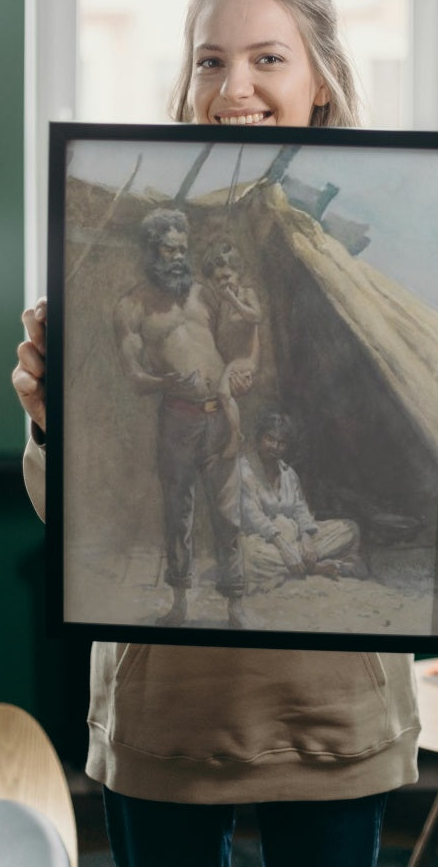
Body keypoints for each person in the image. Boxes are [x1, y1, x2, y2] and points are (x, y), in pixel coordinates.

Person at [13, 0, 438, 867]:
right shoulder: (126, 298)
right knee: (185, 511)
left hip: (330, 709)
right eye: (209, 59)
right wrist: (53, 420)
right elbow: (66, 511)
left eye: (267, 58)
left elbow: (426, 475)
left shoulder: (343, 259)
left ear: (321, 78)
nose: (232, 84)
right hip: (168, 710)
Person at [113, 208, 251, 629]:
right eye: (169, 249)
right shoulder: (131, 307)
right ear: (151, 250)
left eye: (183, 249)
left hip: (218, 419)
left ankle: (236, 606)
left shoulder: (206, 294)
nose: (177, 256)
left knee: (229, 516)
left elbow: (236, 348)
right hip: (176, 422)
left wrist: (238, 374)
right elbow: (134, 378)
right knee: (178, 515)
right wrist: (164, 379)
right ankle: (179, 605)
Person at [240, 410, 367, 589]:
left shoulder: (288, 474)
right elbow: (255, 518)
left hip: (296, 537)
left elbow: (300, 508)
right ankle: (313, 567)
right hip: (265, 541)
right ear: (259, 438)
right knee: (249, 556)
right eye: (270, 439)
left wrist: (306, 538)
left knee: (350, 529)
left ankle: (301, 562)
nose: (275, 447)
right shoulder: (245, 471)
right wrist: (284, 549)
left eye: (281, 443)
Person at [201, 240, 262, 460]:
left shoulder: (245, 294)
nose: (223, 284)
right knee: (213, 403)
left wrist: (234, 300)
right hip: (229, 363)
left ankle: (237, 438)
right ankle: (219, 443)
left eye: (227, 277)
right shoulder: (222, 304)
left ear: (238, 273)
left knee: (223, 393)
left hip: (245, 361)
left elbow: (256, 316)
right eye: (218, 280)